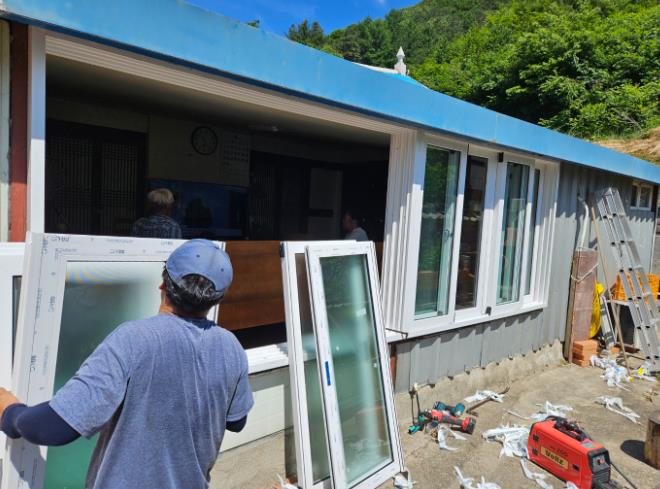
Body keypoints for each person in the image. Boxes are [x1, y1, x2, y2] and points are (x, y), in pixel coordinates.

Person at [0, 239, 253, 489]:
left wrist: (10, 413)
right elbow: (236, 422)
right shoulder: (231, 347)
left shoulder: (134, 340)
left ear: (163, 283)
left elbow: (53, 428)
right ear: (216, 299)